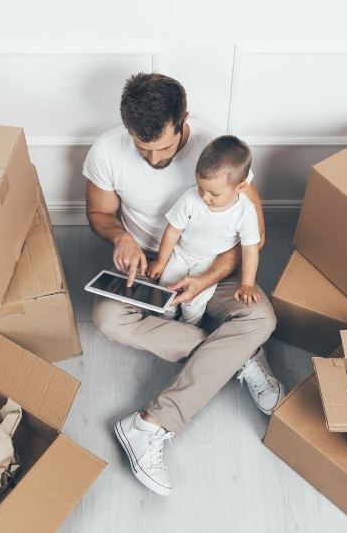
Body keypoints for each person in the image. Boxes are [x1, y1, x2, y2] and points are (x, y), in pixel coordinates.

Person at [83, 72, 283, 497]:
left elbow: (254, 236)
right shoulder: (105, 151)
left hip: (210, 271)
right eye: (143, 149)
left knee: (260, 317)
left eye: (166, 148)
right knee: (108, 317)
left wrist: (207, 278)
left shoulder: (220, 155)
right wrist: (120, 237)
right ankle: (236, 357)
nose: (154, 159)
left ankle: (151, 424)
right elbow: (99, 214)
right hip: (151, 270)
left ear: (184, 120)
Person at [147, 135, 263, 327]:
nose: (205, 197)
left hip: (210, 261)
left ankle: (189, 326)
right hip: (182, 253)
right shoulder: (190, 198)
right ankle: (164, 322)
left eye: (214, 193)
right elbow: (172, 231)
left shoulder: (245, 212)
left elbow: (250, 250)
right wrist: (160, 261)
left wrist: (247, 284)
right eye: (201, 188)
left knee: (192, 303)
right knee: (165, 291)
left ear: (241, 187)